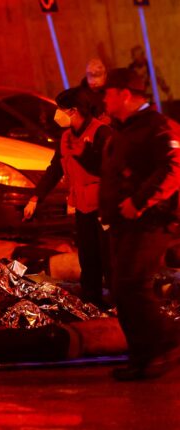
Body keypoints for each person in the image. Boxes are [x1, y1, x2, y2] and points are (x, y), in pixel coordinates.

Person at [100, 68, 180, 381]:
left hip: (150, 221)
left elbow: (174, 168)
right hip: (123, 223)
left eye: (107, 93)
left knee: (132, 285)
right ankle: (143, 357)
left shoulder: (157, 127)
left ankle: (167, 343)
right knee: (122, 289)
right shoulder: (122, 129)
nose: (103, 99)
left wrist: (138, 201)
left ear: (124, 94)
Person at [24, 87, 112, 309]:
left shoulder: (102, 133)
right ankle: (91, 303)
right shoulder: (65, 138)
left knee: (109, 258)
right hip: (82, 207)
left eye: (60, 109)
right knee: (88, 258)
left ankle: (119, 305)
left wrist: (88, 158)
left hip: (104, 207)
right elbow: (55, 169)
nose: (57, 114)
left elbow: (112, 171)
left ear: (73, 110)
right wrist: (36, 197)